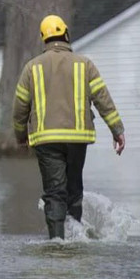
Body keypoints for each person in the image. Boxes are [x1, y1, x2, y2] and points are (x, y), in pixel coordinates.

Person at [12, 15, 126, 239]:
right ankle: (76, 240)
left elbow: (19, 107)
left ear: (44, 39)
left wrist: (20, 135)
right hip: (77, 139)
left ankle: (57, 241)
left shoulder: (31, 68)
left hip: (46, 140)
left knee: (54, 192)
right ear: (65, 34)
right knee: (74, 191)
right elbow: (103, 99)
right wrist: (117, 130)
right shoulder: (85, 64)